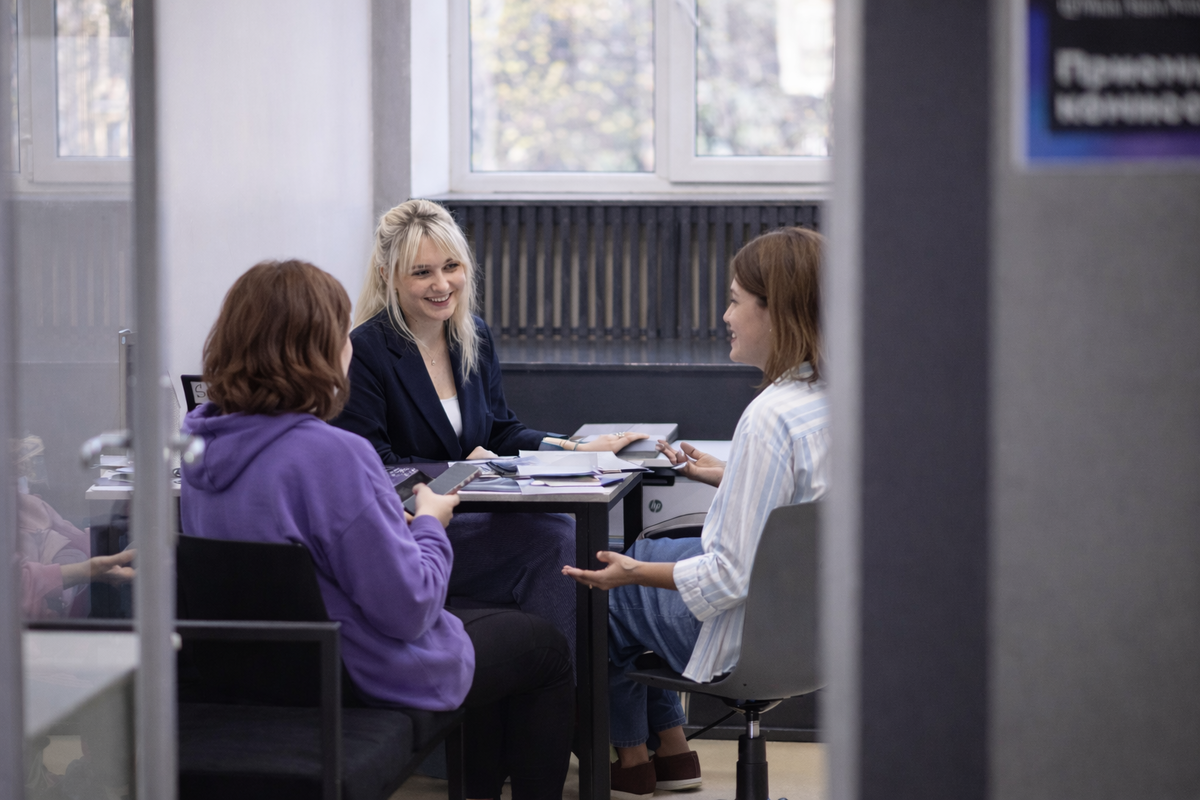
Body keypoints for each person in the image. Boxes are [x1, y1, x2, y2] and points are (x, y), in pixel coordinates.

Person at [180, 259, 572, 800]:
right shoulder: (333, 455)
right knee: (545, 649)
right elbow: (410, 607)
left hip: (259, 673)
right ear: (319, 349)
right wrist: (430, 524)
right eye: (341, 333)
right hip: (358, 669)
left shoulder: (198, 449)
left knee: (491, 627)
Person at [562, 227, 830, 800]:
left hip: (749, 635)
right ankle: (673, 751)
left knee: (605, 594)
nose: (725, 316)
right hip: (817, 627)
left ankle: (634, 759)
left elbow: (728, 577)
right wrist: (731, 475)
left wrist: (631, 573)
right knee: (648, 559)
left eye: (735, 301)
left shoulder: (769, 418)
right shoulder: (839, 401)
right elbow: (812, 504)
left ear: (776, 311)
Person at [330, 198, 647, 656]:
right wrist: (461, 469)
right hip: (410, 530)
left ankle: (592, 692)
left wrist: (574, 448)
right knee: (556, 539)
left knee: (573, 536)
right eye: (422, 273)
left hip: (473, 516)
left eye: (451, 267)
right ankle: (568, 692)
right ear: (387, 276)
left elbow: (499, 431)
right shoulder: (366, 351)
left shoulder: (471, 335)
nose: (442, 285)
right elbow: (377, 469)